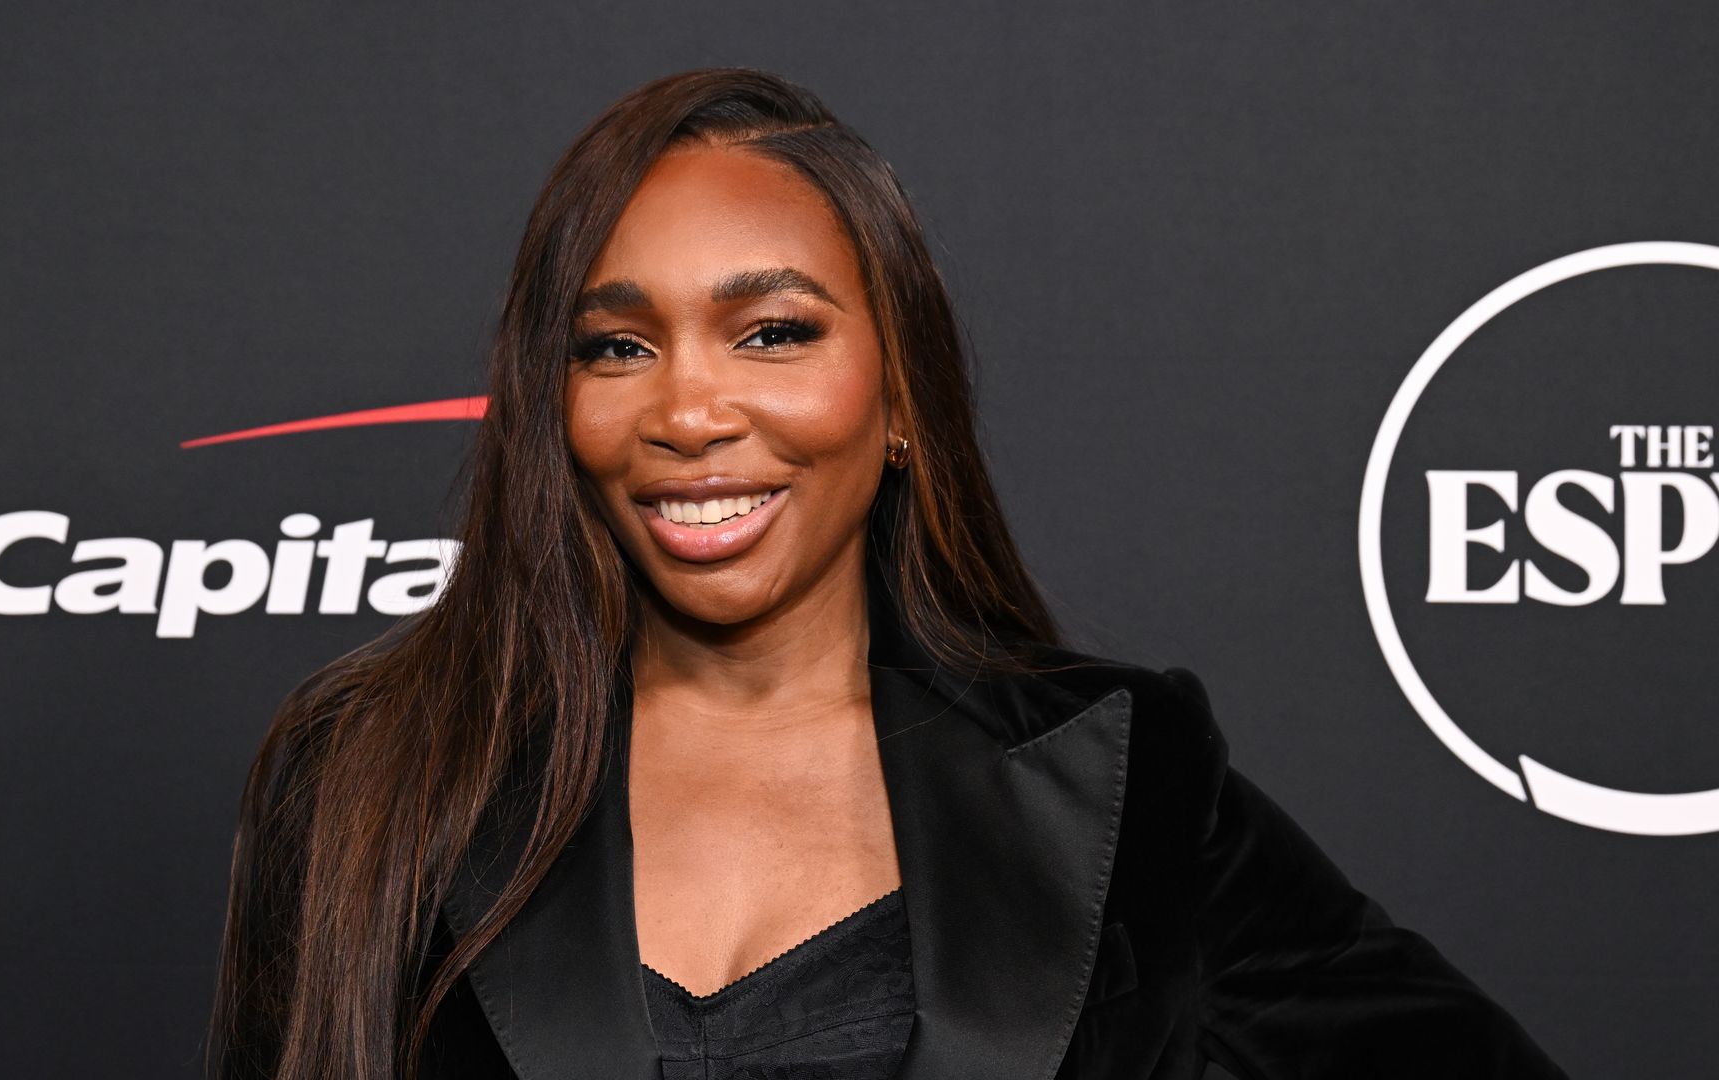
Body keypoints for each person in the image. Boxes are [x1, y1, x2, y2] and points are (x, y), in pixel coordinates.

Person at [208, 68, 1569, 1080]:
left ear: (902, 390)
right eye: (616, 348)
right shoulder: (369, 774)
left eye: (773, 333)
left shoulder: (1126, 778)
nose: (688, 411)